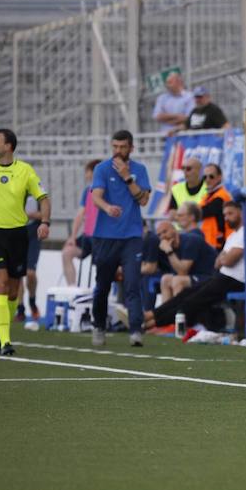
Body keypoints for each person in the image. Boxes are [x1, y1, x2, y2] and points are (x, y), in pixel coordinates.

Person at [0, 129, 51, 355]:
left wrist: (45, 222)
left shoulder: (25, 171)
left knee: (12, 291)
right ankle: (5, 342)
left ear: (8, 146)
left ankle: (3, 333)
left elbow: (43, 198)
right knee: (0, 283)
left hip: (18, 235)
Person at [144, 201, 246, 331]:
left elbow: (227, 261)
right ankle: (149, 315)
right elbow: (218, 262)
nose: (226, 217)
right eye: (225, 215)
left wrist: (224, 258)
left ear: (241, 213)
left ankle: (154, 323)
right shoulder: (233, 236)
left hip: (236, 280)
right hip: (221, 277)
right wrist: (224, 258)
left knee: (191, 300)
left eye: (230, 213)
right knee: (185, 294)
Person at [90, 130, 151, 347]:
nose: (118, 151)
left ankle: (135, 330)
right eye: (115, 146)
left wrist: (127, 177)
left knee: (133, 283)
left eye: (123, 147)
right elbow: (96, 196)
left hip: (131, 236)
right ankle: (99, 326)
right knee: (102, 286)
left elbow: (143, 200)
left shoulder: (139, 170)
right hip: (105, 237)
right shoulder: (102, 168)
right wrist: (107, 208)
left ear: (131, 148)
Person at [152, 220, 217, 302]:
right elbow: (177, 272)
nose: (162, 236)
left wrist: (169, 251)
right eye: (159, 235)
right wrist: (169, 250)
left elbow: (182, 272)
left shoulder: (190, 240)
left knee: (178, 281)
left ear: (174, 230)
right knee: (165, 279)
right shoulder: (170, 246)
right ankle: (166, 310)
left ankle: (180, 310)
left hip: (211, 277)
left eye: (165, 231)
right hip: (194, 277)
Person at [61, 159, 101, 286]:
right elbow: (79, 215)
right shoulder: (87, 191)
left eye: (87, 172)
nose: (86, 175)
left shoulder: (108, 191)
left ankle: (101, 292)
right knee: (67, 252)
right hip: (87, 236)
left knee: (102, 266)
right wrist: (72, 237)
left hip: (102, 237)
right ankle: (72, 288)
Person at [17, 197, 42, 321]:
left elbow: (45, 214)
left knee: (30, 273)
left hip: (33, 233)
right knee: (18, 274)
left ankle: (32, 301)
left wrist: (30, 215)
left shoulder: (37, 192)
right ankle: (20, 309)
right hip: (16, 233)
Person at [200, 163, 233, 251]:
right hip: (210, 242)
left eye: (211, 176)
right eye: (205, 177)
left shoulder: (221, 196)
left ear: (219, 177)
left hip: (220, 243)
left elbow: (203, 212)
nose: (207, 180)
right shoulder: (208, 196)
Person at [169, 157, 206, 222]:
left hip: (201, 227)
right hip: (181, 228)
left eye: (189, 169)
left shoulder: (208, 188)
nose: (185, 172)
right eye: (183, 168)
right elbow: (172, 213)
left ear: (198, 170)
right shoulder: (176, 188)